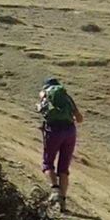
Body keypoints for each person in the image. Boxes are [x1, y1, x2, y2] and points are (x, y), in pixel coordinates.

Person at [37, 76, 81, 210]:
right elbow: (79, 118)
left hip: (53, 130)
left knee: (48, 162)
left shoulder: (45, 95)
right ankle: (62, 201)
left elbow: (42, 111)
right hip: (70, 131)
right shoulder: (66, 97)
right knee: (63, 167)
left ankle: (55, 190)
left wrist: (39, 106)